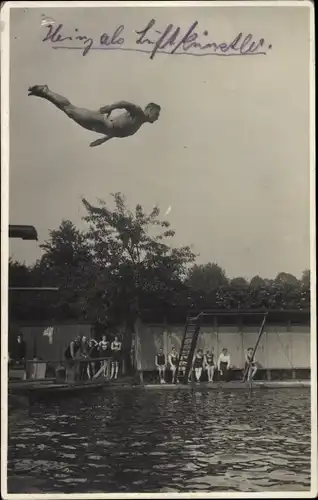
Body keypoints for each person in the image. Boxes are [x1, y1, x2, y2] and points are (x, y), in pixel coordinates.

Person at [28, 85, 161, 147]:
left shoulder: (138, 124)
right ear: (149, 110)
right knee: (70, 110)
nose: (157, 117)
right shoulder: (138, 113)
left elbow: (117, 131)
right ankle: (45, 91)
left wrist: (102, 141)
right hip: (100, 120)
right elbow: (124, 103)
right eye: (156, 114)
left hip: (98, 127)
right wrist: (110, 107)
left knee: (69, 112)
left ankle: (45, 94)